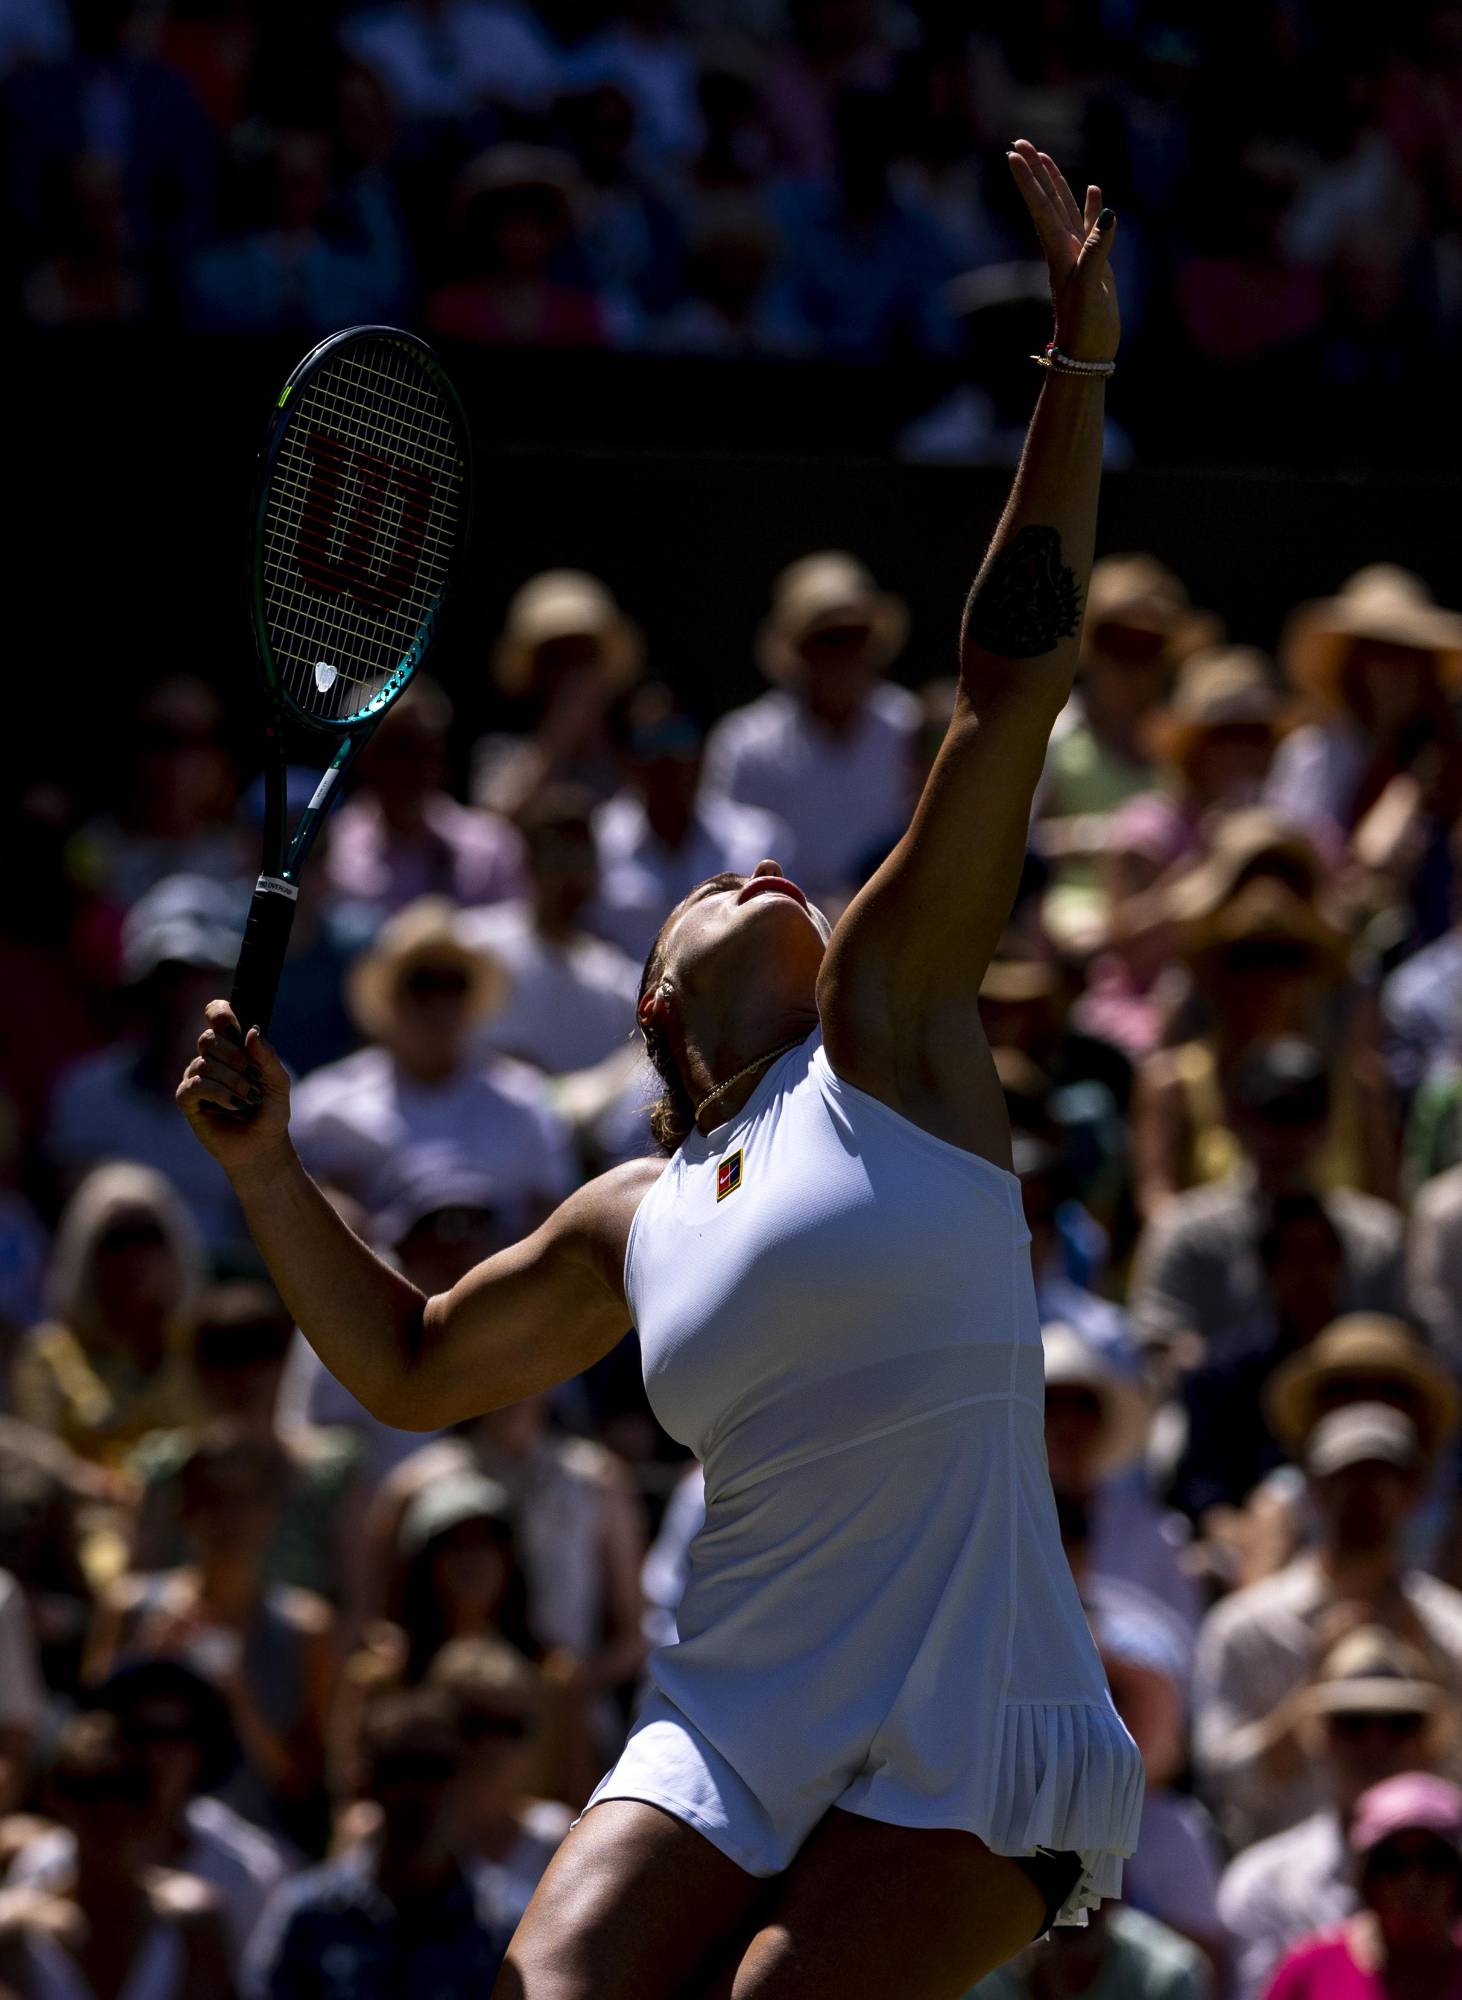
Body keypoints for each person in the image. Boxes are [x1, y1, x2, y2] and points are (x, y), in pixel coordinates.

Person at [178, 141, 1143, 1996]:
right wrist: (264, 1172)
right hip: (740, 1718)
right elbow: (406, 1369)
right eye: (708, 886)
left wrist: (1076, 368)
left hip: (977, 1718)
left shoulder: (888, 1031)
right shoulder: (627, 1215)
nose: (756, 870)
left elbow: (1006, 681)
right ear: (651, 1013)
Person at [1192, 1400, 1462, 1849]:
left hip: (1420, 1887)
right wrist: (1315, 1691)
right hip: (1280, 1895)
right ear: (1314, 1490)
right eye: (1345, 1478)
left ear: (1414, 1492)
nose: (1363, 1494)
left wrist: (1427, 1682)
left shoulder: (1451, 1630)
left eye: (1381, 1477)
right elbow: (1222, 1784)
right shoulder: (1245, 1628)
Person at [88, 1425, 338, 1849]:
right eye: (213, 1500)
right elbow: (90, 1742)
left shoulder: (307, 1629)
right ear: (187, 1513)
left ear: (273, 1512)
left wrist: (236, 1697)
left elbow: (304, 1784)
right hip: (137, 1840)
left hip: (262, 1849)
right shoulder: (129, 1608)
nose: (230, 1519)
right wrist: (145, 1663)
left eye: (246, 1501)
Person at [287, 899, 574, 1229]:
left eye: (454, 983)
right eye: (422, 983)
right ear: (392, 998)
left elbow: (551, 1218)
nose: (439, 1003)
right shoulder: (328, 1107)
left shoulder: (525, 1102)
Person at [1130, 1037, 1406, 1371]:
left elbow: (1405, 1342)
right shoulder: (1186, 1230)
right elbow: (1154, 1340)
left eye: (1303, 1116)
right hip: (1218, 1415)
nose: (1286, 1136)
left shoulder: (1375, 1236)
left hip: (1344, 1408)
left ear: (1328, 1127)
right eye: (1273, 1116)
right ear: (1235, 1122)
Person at [1219, 1626, 1458, 2000]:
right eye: (1353, 1723)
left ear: (1427, 1740)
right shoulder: (1262, 1884)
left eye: (1399, 1724)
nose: (1375, 1744)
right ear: (1322, 1737)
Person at [7, 1657, 289, 1970]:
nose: (155, 1755)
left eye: (174, 1735)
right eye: (140, 1732)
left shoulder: (247, 1870)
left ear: (202, 1746)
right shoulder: (44, 1865)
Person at [243, 1686, 512, 2000]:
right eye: (398, 1769)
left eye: (435, 1769)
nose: (417, 1792)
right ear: (366, 1783)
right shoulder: (308, 1916)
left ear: (464, 1778)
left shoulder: (502, 1928)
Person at [701, 548, 919, 906]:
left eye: (854, 637)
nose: (843, 654)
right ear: (800, 650)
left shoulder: (907, 727)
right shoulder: (745, 743)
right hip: (781, 925)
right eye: (827, 639)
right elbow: (728, 864)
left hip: (896, 920)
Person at [45, 877, 246, 1256]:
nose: (185, 995)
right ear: (140, 986)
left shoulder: (266, 1089)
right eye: (170, 977)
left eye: (201, 974)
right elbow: (79, 1236)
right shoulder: (85, 1093)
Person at [1, 1709, 236, 2000]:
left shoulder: (193, 1923)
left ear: (151, 1806)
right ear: (60, 1803)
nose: (108, 1813)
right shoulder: (13, 1933)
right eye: (89, 1790)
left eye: (128, 1790)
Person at [15, 1162, 204, 1470]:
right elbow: (38, 1463)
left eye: (148, 1235)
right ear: (86, 1251)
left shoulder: (205, 1346)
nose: (135, 1256)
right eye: (117, 1239)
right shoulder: (49, 1356)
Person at [591, 684, 791, 963]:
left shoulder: (759, 840)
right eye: (648, 743)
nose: (666, 758)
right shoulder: (597, 843)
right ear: (625, 760)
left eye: (677, 737)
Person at [459, 787, 640, 1077]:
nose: (568, 875)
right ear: (528, 864)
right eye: (555, 857)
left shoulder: (617, 981)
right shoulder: (472, 943)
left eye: (580, 857)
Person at [323, 679, 526, 921]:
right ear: (364, 758)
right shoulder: (333, 852)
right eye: (399, 746)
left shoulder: (491, 845)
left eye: (428, 745)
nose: (416, 764)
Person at [1263, 1772, 1462, 2000]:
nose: (1414, 1882)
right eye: (1393, 1862)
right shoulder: (1308, 1972)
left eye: (1434, 1860)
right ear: (1367, 1875)